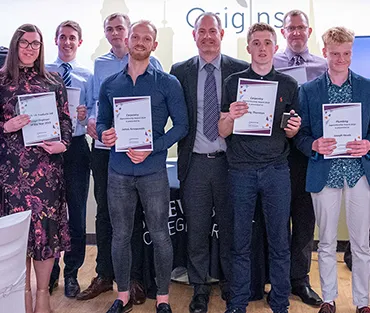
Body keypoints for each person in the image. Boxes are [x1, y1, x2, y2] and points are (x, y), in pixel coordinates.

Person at [97, 20, 188, 313]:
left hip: (153, 172)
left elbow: (182, 126)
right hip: (118, 171)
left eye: (146, 38)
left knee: (161, 234)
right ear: (128, 39)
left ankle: (162, 298)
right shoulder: (110, 84)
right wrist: (104, 134)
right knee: (120, 234)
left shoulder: (167, 83)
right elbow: (101, 122)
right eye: (135, 36)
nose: (139, 41)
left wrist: (153, 147)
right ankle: (122, 295)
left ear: (154, 45)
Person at [78, 13, 162, 303]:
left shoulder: (153, 63)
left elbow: (155, 109)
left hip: (139, 154)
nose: (115, 33)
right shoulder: (99, 65)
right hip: (106, 152)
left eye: (120, 28)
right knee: (105, 215)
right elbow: (94, 106)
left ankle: (134, 279)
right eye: (109, 29)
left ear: (129, 33)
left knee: (134, 217)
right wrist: (92, 122)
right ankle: (104, 274)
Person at [219, 22, 301, 313]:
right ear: (248, 47)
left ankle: (280, 304)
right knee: (240, 242)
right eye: (256, 43)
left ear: (275, 48)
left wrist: (293, 129)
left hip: (277, 170)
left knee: (280, 242)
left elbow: (292, 132)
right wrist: (230, 115)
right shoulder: (233, 83)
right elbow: (223, 130)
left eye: (267, 42)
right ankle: (238, 304)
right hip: (240, 170)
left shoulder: (289, 85)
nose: (262, 48)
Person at [170, 12, 248, 313]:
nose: (206, 37)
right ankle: (199, 288)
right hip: (196, 164)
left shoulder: (240, 70)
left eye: (212, 31)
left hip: (231, 163)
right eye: (201, 31)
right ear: (194, 36)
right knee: (197, 230)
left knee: (230, 228)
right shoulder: (179, 71)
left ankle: (230, 285)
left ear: (222, 34)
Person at [295, 26, 370, 313]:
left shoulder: (367, 87)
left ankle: (363, 302)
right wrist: (313, 145)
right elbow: (301, 135)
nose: (341, 59)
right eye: (335, 54)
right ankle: (328, 299)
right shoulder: (308, 91)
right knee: (325, 241)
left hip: (358, 173)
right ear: (324, 52)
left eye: (347, 54)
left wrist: (368, 144)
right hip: (325, 172)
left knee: (361, 243)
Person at [0, 24, 72, 313]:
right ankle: (22, 296)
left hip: (47, 171)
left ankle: (43, 295)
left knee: (45, 233)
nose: (30, 48)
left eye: (36, 44)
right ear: (15, 45)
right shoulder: (1, 82)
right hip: (12, 174)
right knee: (19, 236)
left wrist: (63, 144)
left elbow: (65, 121)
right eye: (25, 43)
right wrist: (5, 126)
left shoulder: (54, 81)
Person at [273, 9, 327, 306]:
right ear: (283, 33)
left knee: (305, 221)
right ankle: (278, 279)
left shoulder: (323, 65)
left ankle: (300, 280)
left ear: (308, 32)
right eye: (290, 28)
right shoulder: (272, 64)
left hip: (310, 152)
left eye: (300, 28)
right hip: (277, 153)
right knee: (278, 220)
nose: (295, 32)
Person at [46, 20, 92, 298]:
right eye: (62, 37)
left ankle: (72, 273)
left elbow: (96, 109)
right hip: (48, 149)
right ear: (56, 40)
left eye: (72, 38)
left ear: (80, 42)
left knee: (76, 213)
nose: (67, 42)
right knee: (50, 214)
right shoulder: (44, 72)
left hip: (75, 147)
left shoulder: (87, 76)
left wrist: (88, 117)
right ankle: (49, 273)